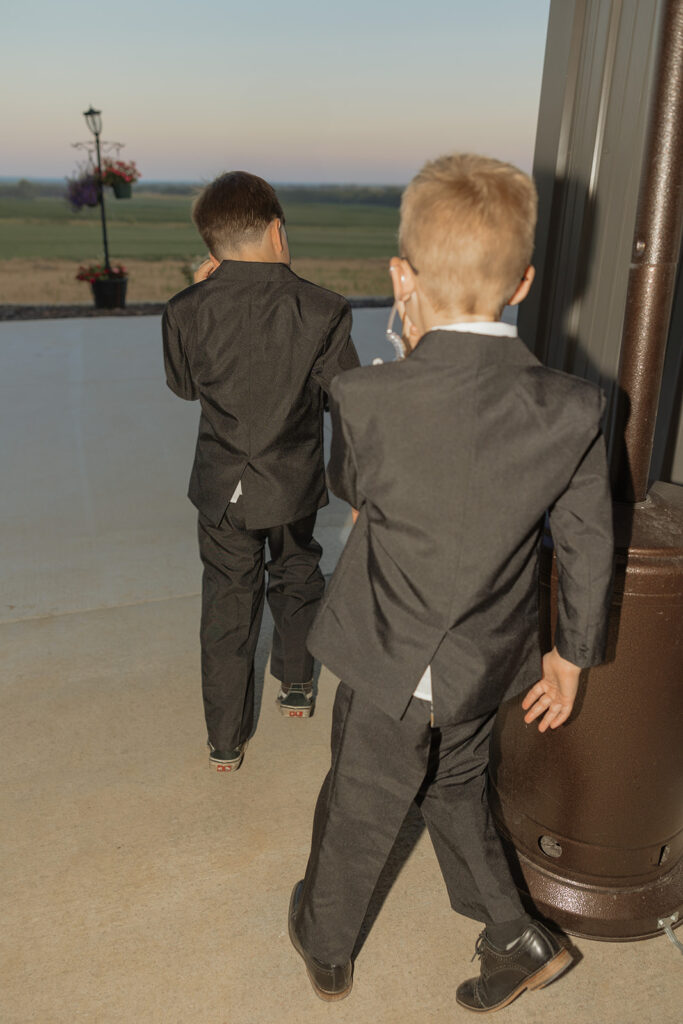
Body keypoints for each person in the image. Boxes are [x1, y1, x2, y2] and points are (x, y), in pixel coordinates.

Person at [288, 153, 614, 1011]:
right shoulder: (573, 406)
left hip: (389, 657)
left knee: (362, 802)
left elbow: (355, 497)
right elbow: (586, 543)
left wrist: (403, 355)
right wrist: (569, 658)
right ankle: (512, 934)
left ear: (402, 275)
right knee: (456, 781)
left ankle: (323, 941)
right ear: (524, 282)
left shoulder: (364, 397)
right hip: (487, 659)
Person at [162, 171, 359, 773]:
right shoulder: (324, 309)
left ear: (212, 244)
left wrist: (198, 294)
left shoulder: (184, 309)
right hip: (293, 483)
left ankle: (225, 739)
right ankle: (297, 685)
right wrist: (352, 484)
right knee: (297, 571)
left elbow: (184, 386)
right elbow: (344, 399)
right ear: (277, 230)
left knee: (227, 600)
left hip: (221, 487)